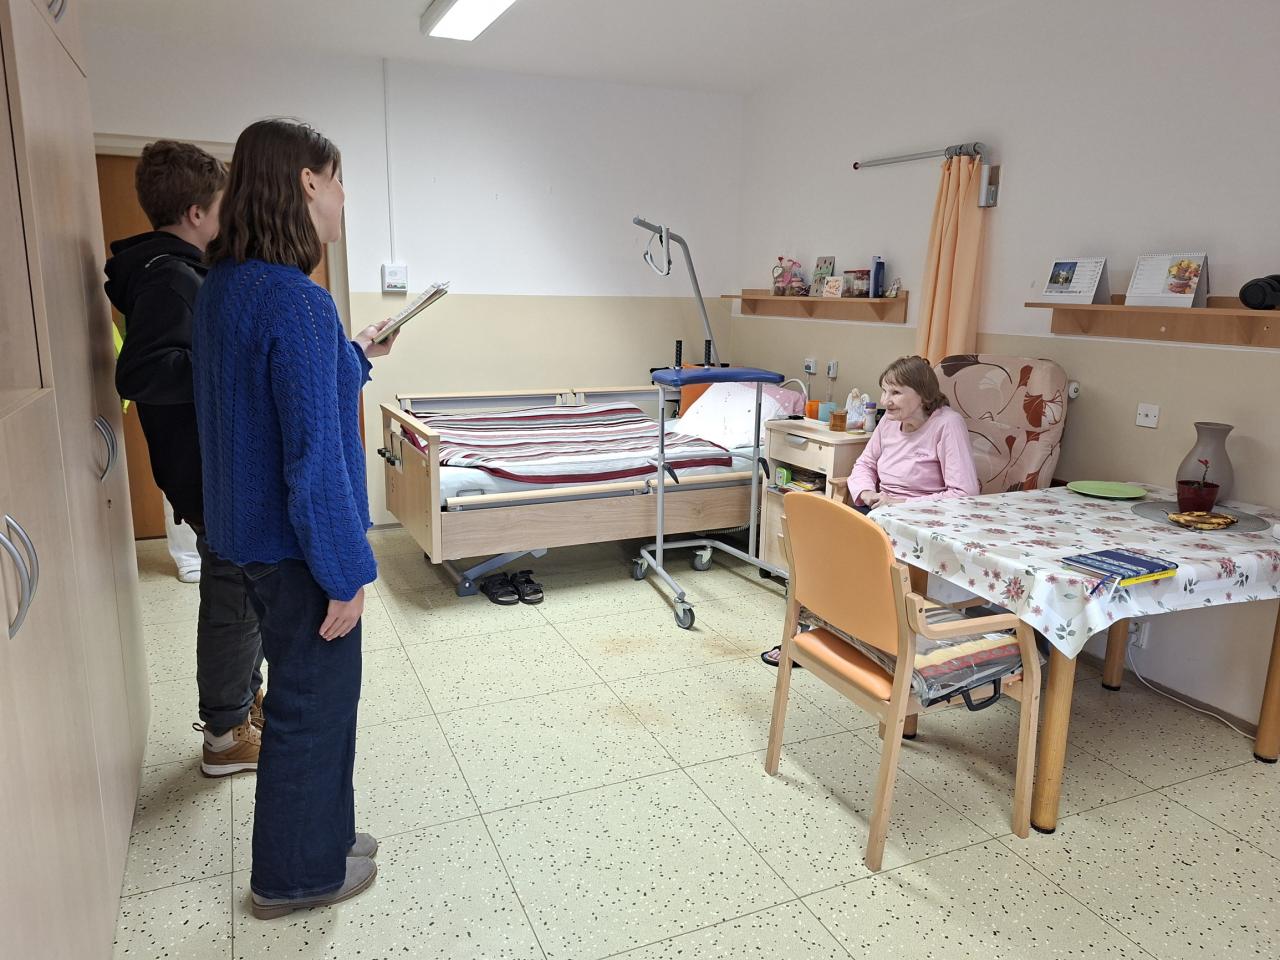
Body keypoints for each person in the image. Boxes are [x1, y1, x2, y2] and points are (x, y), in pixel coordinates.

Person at [192, 118, 399, 919]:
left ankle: (328, 838)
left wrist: (354, 354)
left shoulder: (226, 288)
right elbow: (314, 464)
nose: (344, 198)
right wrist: (347, 575)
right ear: (309, 183)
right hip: (298, 552)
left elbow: (266, 401)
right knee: (311, 711)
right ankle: (292, 879)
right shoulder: (298, 301)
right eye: (339, 180)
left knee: (317, 704)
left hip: (244, 539)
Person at [106, 141, 266, 774]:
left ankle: (241, 706)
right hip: (207, 474)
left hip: (210, 467)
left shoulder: (182, 271)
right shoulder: (168, 277)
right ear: (198, 213)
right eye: (224, 205)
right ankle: (225, 736)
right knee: (234, 598)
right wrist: (228, 364)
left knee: (243, 592)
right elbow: (140, 372)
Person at [761, 355, 979, 666]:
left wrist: (900, 504)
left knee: (847, 561)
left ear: (923, 394)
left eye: (896, 392)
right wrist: (866, 492)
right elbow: (865, 464)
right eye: (884, 391)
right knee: (814, 552)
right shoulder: (889, 422)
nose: (886, 401)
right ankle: (803, 633)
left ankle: (849, 637)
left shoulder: (947, 425)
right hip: (878, 511)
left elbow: (964, 494)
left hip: (919, 522)